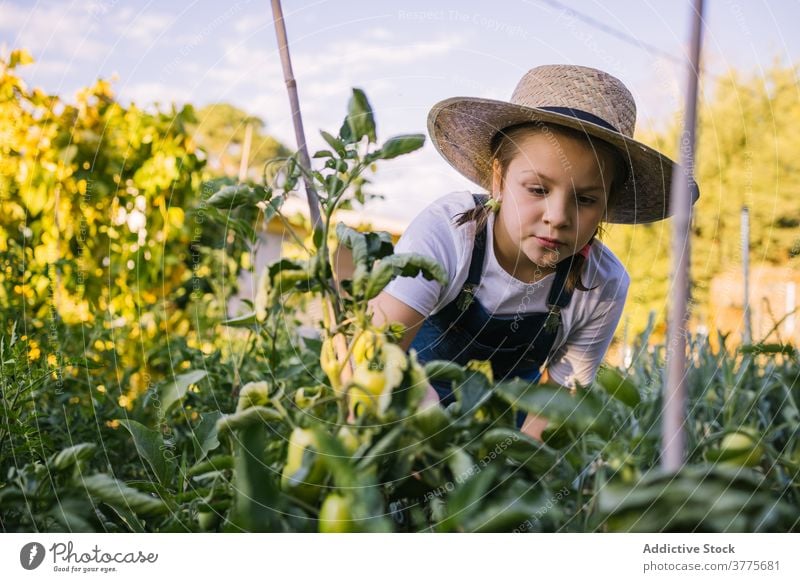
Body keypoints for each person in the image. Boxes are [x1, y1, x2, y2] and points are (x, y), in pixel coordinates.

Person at [368, 64, 699, 438]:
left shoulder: (602, 286)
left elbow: (555, 407)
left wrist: (512, 477)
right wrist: (431, 440)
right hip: (397, 422)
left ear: (607, 205)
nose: (557, 218)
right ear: (499, 179)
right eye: (538, 190)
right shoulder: (448, 233)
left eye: (586, 199)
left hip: (501, 445)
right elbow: (374, 353)